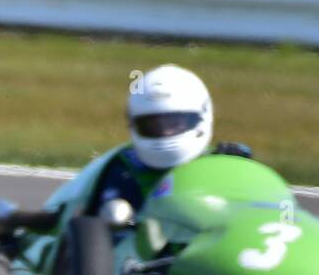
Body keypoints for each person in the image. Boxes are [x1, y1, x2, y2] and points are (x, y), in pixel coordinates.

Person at [93, 64, 251, 216]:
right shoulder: (121, 168)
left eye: (174, 123)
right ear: (135, 124)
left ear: (200, 117)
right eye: (152, 125)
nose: (165, 132)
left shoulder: (228, 163)